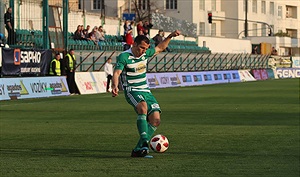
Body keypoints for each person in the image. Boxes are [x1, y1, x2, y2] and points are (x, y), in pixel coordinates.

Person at [111, 30, 181, 158]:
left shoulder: (145, 54)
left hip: (146, 90)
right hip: (132, 90)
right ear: (134, 45)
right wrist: (115, 86)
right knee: (142, 108)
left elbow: (160, 47)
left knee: (156, 120)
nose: (144, 51)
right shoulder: (124, 57)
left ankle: (138, 149)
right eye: (142, 48)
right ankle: (144, 141)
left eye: (146, 48)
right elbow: (116, 73)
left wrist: (170, 36)